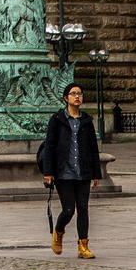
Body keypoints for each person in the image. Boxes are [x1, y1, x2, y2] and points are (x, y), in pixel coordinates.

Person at [40, 82, 103, 260]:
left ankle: (83, 245)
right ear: (66, 98)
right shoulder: (57, 119)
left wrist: (96, 173)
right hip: (63, 172)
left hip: (82, 171)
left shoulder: (86, 121)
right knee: (68, 209)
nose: (77, 96)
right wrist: (48, 171)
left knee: (83, 208)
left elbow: (93, 149)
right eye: (74, 93)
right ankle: (58, 231)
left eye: (80, 94)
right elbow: (50, 147)